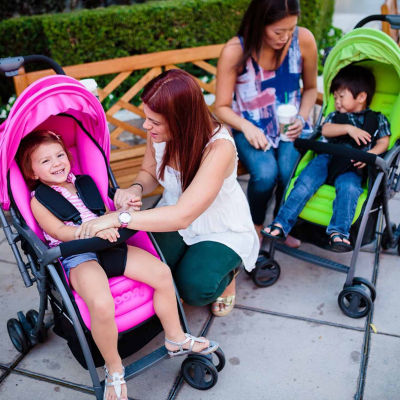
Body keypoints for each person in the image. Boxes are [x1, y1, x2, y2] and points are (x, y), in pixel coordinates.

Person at [16, 130, 219, 400]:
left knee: (161, 273)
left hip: (110, 245)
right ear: (31, 172)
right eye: (45, 161)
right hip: (77, 255)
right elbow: (59, 232)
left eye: (60, 155)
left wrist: (121, 210)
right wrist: (92, 232)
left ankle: (175, 336)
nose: (56, 163)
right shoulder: (38, 200)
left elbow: (107, 209)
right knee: (101, 303)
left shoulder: (86, 183)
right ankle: (114, 368)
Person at [73, 69, 260, 318]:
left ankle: (229, 275)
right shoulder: (159, 134)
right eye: (147, 117)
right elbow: (148, 173)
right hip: (173, 211)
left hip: (218, 225)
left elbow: (182, 216)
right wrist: (135, 189)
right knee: (149, 265)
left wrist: (119, 217)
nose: (146, 125)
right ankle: (192, 261)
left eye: (155, 121)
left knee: (194, 289)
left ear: (182, 120)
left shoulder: (218, 147)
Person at [214, 0, 318, 247]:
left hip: (292, 125)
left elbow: (312, 89)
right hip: (249, 126)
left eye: (291, 29)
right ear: (260, 23)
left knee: (289, 171)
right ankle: (256, 225)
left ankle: (284, 221)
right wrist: (247, 127)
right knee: (265, 175)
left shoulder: (303, 40)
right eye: (278, 31)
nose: (286, 37)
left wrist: (302, 118)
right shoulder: (235, 50)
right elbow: (220, 107)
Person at [263, 64, 391, 252]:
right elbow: (325, 129)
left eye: (341, 96)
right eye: (335, 97)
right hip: (325, 158)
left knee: (350, 189)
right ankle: (281, 224)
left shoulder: (377, 119)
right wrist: (348, 128)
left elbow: (384, 142)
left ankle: (339, 233)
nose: (336, 101)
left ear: (361, 97)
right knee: (304, 182)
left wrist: (370, 155)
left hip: (352, 166)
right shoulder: (335, 116)